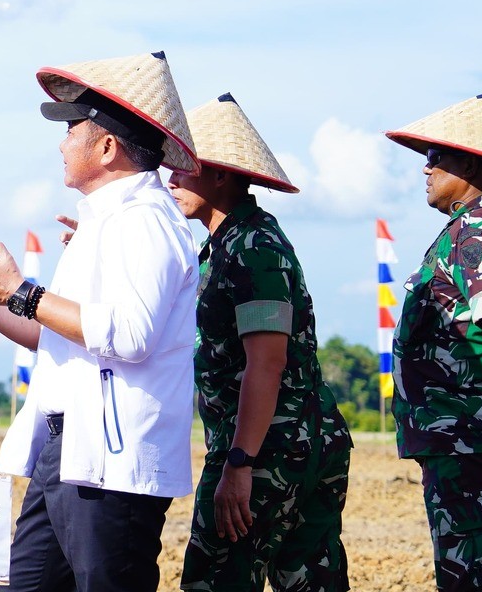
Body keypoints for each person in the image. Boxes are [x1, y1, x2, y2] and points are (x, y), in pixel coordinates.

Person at [0, 52, 199, 592]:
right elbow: (55, 332)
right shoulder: (108, 223)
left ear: (107, 146)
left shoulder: (143, 222)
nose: (62, 144)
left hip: (112, 460)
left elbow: (130, 336)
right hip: (71, 449)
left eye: (71, 129)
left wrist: (19, 291)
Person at [167, 93, 351, 591]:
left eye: (183, 168)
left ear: (220, 175)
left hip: (268, 448)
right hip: (293, 441)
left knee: (216, 580)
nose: (170, 179)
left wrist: (240, 463)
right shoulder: (230, 243)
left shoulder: (254, 248)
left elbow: (266, 363)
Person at [385, 91, 482, 592]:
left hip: (477, 449)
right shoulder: (470, 228)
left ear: (471, 163)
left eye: (436, 155)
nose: (426, 168)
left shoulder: (480, 230)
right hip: (468, 445)